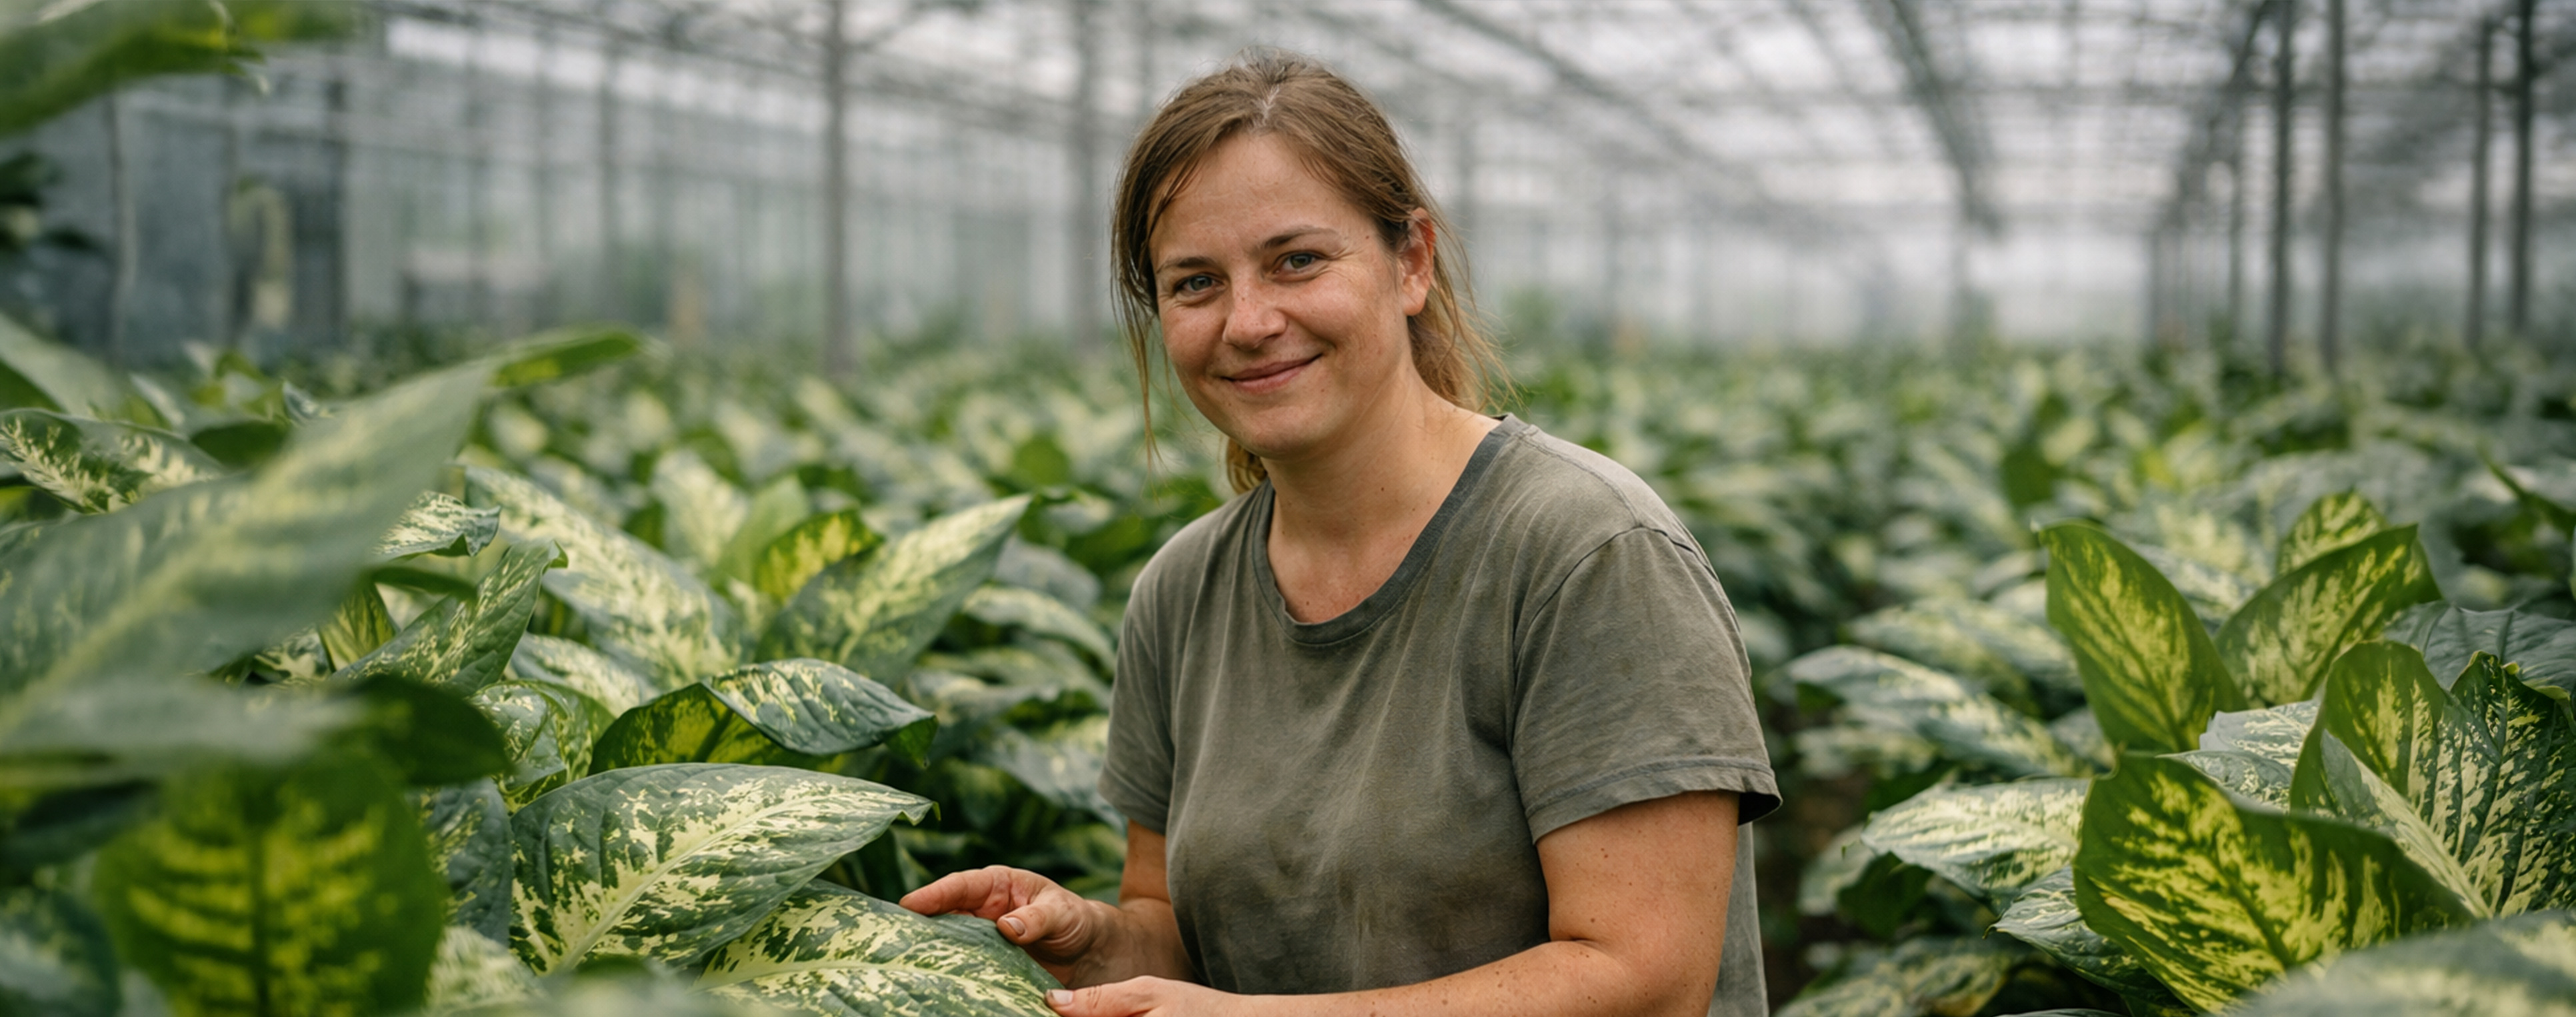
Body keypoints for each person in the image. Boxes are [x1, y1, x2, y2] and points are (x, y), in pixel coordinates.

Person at [901, 51, 1778, 1017]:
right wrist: (1096, 942)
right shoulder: (1180, 592)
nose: (1248, 320)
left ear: (1412, 262)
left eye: (1298, 261)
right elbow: (1181, 927)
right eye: (1196, 283)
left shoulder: (1587, 554)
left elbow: (1646, 979)